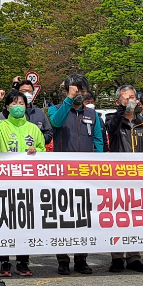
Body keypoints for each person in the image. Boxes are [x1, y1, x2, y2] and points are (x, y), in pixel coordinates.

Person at [0, 89, 45, 276]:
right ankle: (4, 262)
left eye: (21, 103)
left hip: (28, 182)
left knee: (25, 222)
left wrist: (37, 151)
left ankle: (23, 261)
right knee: (4, 222)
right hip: (5, 181)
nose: (18, 106)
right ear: (7, 107)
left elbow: (43, 149)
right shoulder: (1, 127)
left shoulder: (33, 128)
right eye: (13, 103)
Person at [49, 74, 103, 275]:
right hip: (62, 173)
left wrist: (97, 164)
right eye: (75, 90)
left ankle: (81, 258)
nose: (78, 93)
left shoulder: (92, 114)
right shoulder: (57, 109)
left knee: (83, 218)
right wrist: (68, 100)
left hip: (86, 173)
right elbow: (56, 122)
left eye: (81, 90)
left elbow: (98, 140)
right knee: (62, 217)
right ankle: (62, 259)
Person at [105, 85, 143, 273]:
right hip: (117, 177)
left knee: (136, 217)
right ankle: (117, 257)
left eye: (133, 97)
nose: (131, 100)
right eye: (126, 98)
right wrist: (121, 111)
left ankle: (134, 256)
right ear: (118, 102)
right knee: (118, 217)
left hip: (138, 177)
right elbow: (111, 130)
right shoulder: (113, 120)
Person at [5, 77, 53, 145]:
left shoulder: (39, 112)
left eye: (29, 91)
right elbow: (8, 103)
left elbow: (49, 132)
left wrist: (37, 140)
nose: (27, 94)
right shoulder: (14, 111)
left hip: (36, 152)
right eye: (24, 91)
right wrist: (15, 85)